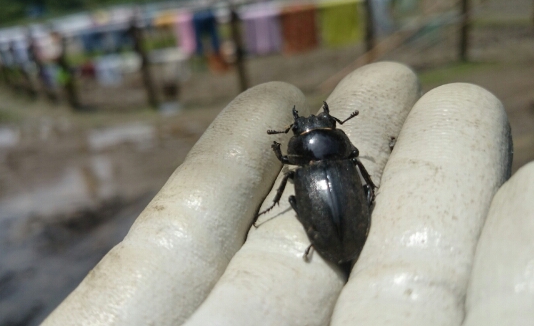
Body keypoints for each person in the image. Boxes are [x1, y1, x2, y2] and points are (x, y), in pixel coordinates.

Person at [41, 62, 532, 326]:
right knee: (340, 187)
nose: (313, 125)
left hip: (323, 206)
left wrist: (282, 185)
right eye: (311, 126)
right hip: (340, 201)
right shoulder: (347, 158)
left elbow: (297, 166)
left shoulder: (303, 163)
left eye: (315, 126)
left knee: (299, 194)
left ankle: (298, 219)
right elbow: (358, 176)